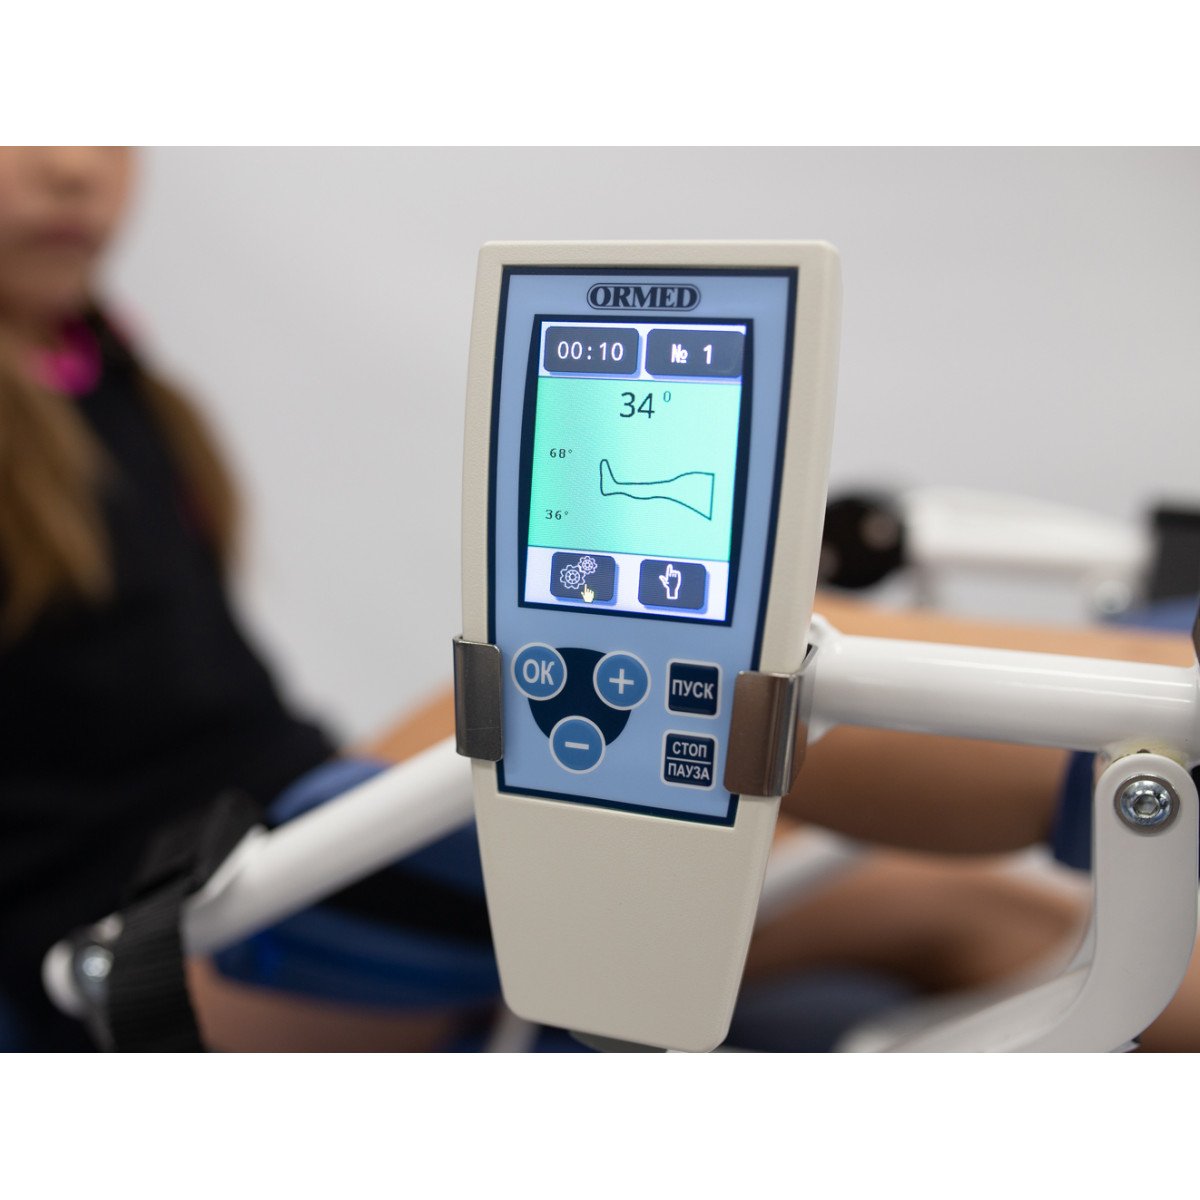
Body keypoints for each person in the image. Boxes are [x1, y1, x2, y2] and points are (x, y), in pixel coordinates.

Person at [0, 147, 1192, 1052]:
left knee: (965, 913)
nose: (71, 166)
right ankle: (1161, 698)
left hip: (280, 848)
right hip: (154, 950)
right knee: (686, 673)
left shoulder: (109, 388)